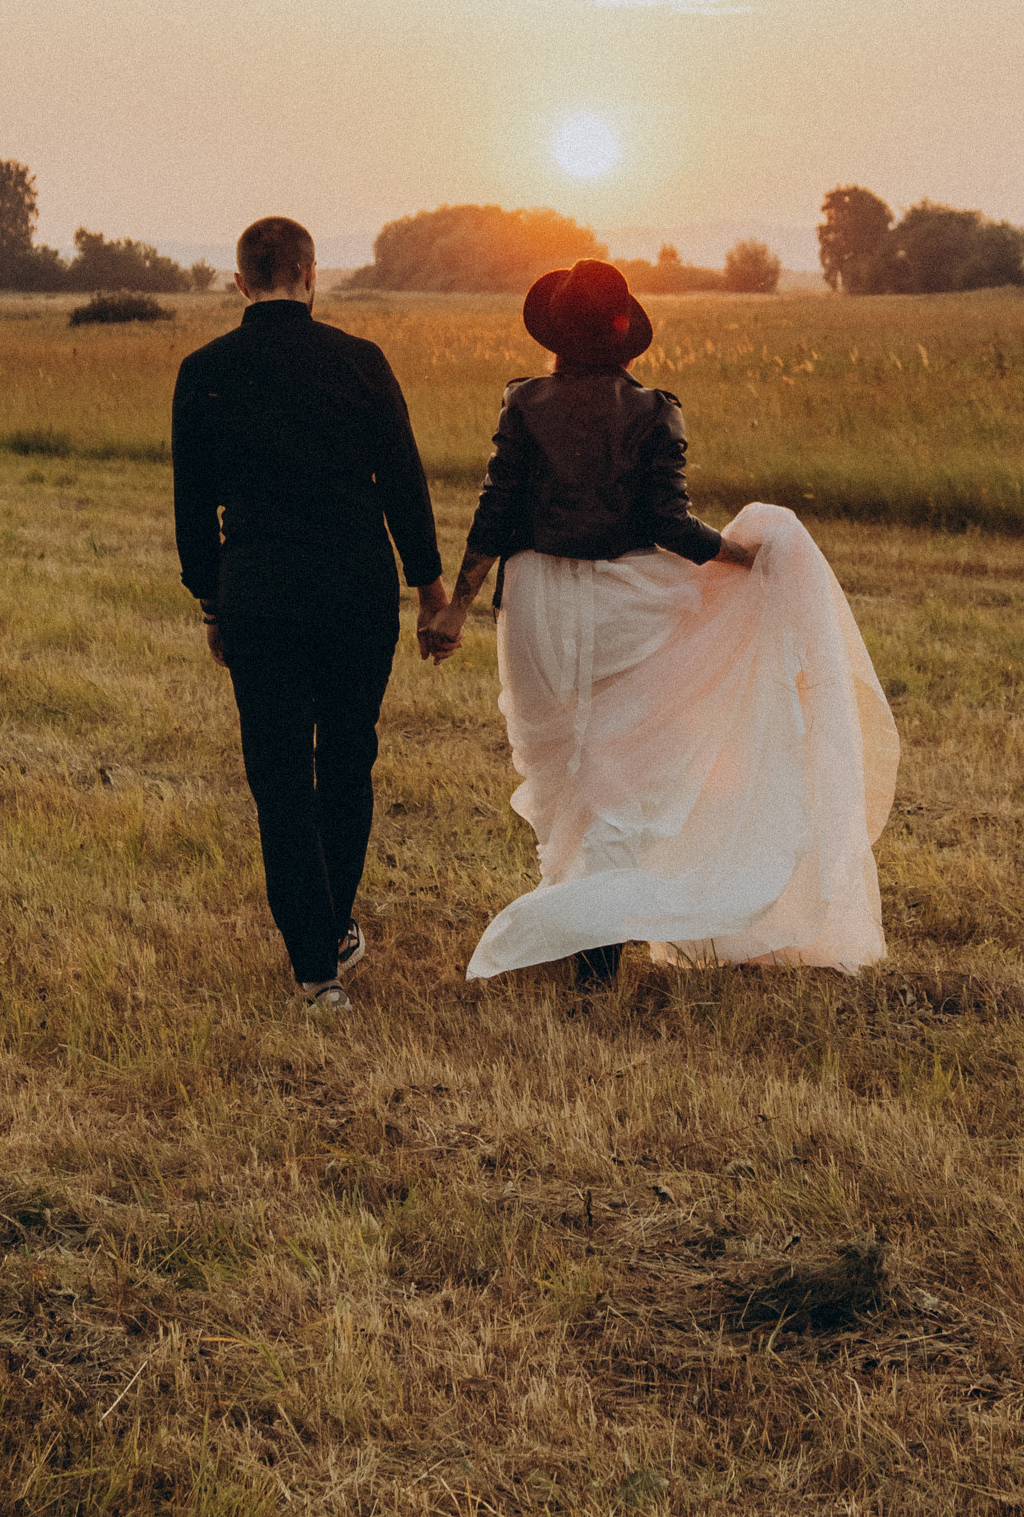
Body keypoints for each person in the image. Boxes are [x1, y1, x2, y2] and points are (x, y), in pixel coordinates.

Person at [423, 261, 897, 991]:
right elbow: (667, 524)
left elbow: (498, 509)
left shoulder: (523, 404)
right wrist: (744, 557)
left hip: (538, 600)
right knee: (622, 775)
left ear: (554, 334)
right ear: (628, 340)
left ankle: (574, 927)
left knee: (561, 771)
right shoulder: (653, 411)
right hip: (630, 602)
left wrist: (457, 604)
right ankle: (591, 951)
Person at [172, 214, 448, 1011]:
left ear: (239, 282)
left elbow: (194, 505)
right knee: (349, 758)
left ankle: (315, 969)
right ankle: (331, 928)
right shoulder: (360, 363)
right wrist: (429, 585)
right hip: (355, 590)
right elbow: (403, 479)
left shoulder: (205, 370)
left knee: (280, 777)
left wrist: (210, 602)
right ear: (311, 272)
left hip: (259, 589)